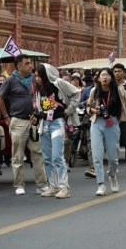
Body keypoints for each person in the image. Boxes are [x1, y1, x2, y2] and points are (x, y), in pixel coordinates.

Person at [0, 55, 47, 195]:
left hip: (34, 121)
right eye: (27, 63)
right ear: (18, 66)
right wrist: (6, 117)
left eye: (30, 63)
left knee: (37, 153)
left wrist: (42, 113)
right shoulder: (10, 80)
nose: (30, 66)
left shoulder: (34, 80)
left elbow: (44, 97)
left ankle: (42, 184)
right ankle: (19, 184)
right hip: (18, 121)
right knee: (17, 155)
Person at [34, 64, 80, 198]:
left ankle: (64, 187)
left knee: (57, 156)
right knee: (47, 158)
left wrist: (69, 110)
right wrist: (37, 115)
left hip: (57, 123)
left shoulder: (58, 83)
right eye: (35, 75)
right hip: (45, 124)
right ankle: (52, 186)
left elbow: (76, 93)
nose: (37, 78)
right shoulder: (39, 89)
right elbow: (42, 107)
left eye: (39, 75)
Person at [87, 68, 126, 196]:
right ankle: (100, 184)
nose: (104, 77)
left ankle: (112, 175)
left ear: (111, 77)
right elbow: (88, 107)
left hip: (112, 123)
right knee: (97, 156)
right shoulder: (94, 91)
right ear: (99, 78)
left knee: (113, 157)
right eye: (102, 75)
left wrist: (116, 116)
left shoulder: (118, 90)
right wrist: (95, 111)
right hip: (97, 123)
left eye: (107, 75)